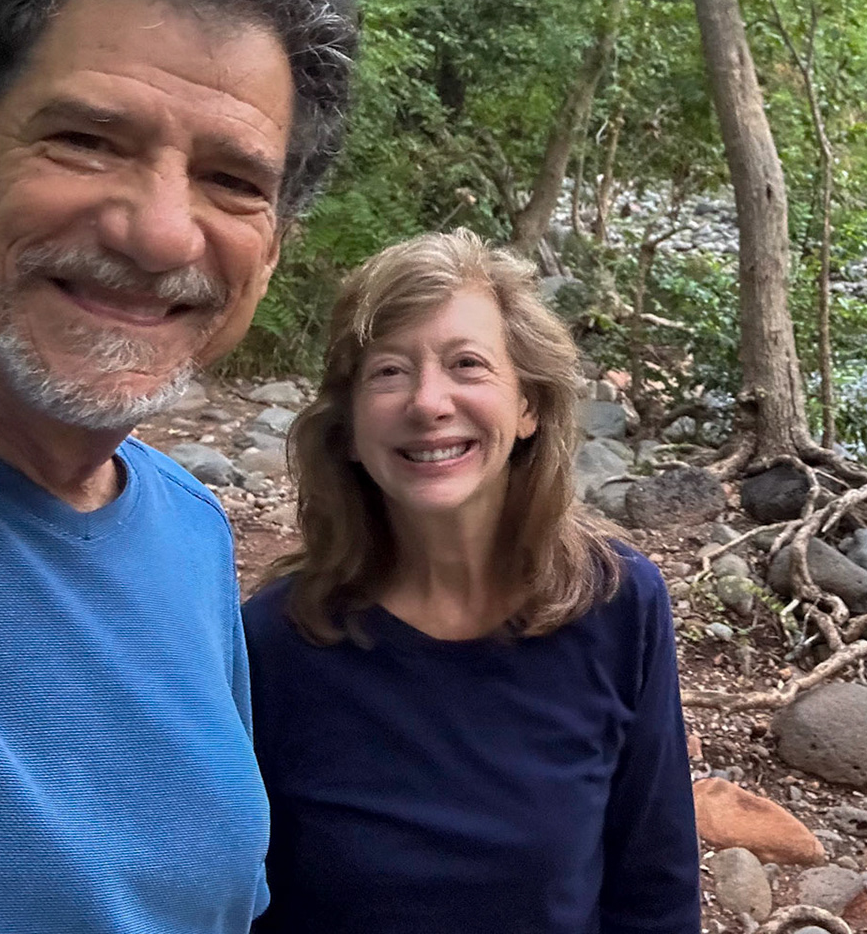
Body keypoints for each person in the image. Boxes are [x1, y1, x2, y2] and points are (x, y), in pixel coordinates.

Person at [0, 0, 360, 933]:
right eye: (86, 140)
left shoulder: (190, 533)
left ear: (272, 249)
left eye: (232, 182)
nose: (161, 233)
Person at [243, 230, 701, 933]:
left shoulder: (616, 600)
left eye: (467, 364)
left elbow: (655, 889)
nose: (428, 402)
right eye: (389, 371)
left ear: (529, 407)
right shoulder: (275, 641)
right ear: (351, 429)